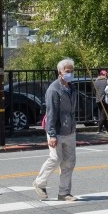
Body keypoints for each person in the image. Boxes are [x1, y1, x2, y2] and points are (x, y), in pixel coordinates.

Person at [35, 58, 79, 201]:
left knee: (69, 162)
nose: (70, 74)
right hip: (56, 131)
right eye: (67, 71)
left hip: (70, 130)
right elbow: (51, 114)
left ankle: (64, 193)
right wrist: (52, 134)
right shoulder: (54, 90)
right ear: (60, 72)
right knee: (55, 158)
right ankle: (39, 183)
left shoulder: (72, 88)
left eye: (72, 71)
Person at [93, 68, 108, 133]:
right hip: (105, 100)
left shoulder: (96, 81)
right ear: (106, 74)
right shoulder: (107, 81)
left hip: (98, 100)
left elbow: (94, 90)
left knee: (103, 114)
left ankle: (107, 129)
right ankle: (99, 129)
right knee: (103, 115)